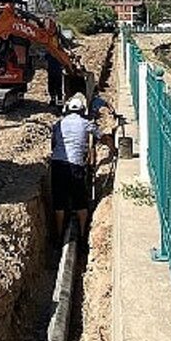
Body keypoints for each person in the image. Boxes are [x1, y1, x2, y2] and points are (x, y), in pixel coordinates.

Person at [50, 94, 114, 245]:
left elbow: (53, 145)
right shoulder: (87, 124)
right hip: (76, 165)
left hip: (58, 164)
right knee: (80, 201)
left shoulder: (58, 124)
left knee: (59, 202)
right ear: (82, 110)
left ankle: (59, 236)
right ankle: (83, 235)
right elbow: (103, 137)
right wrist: (113, 150)